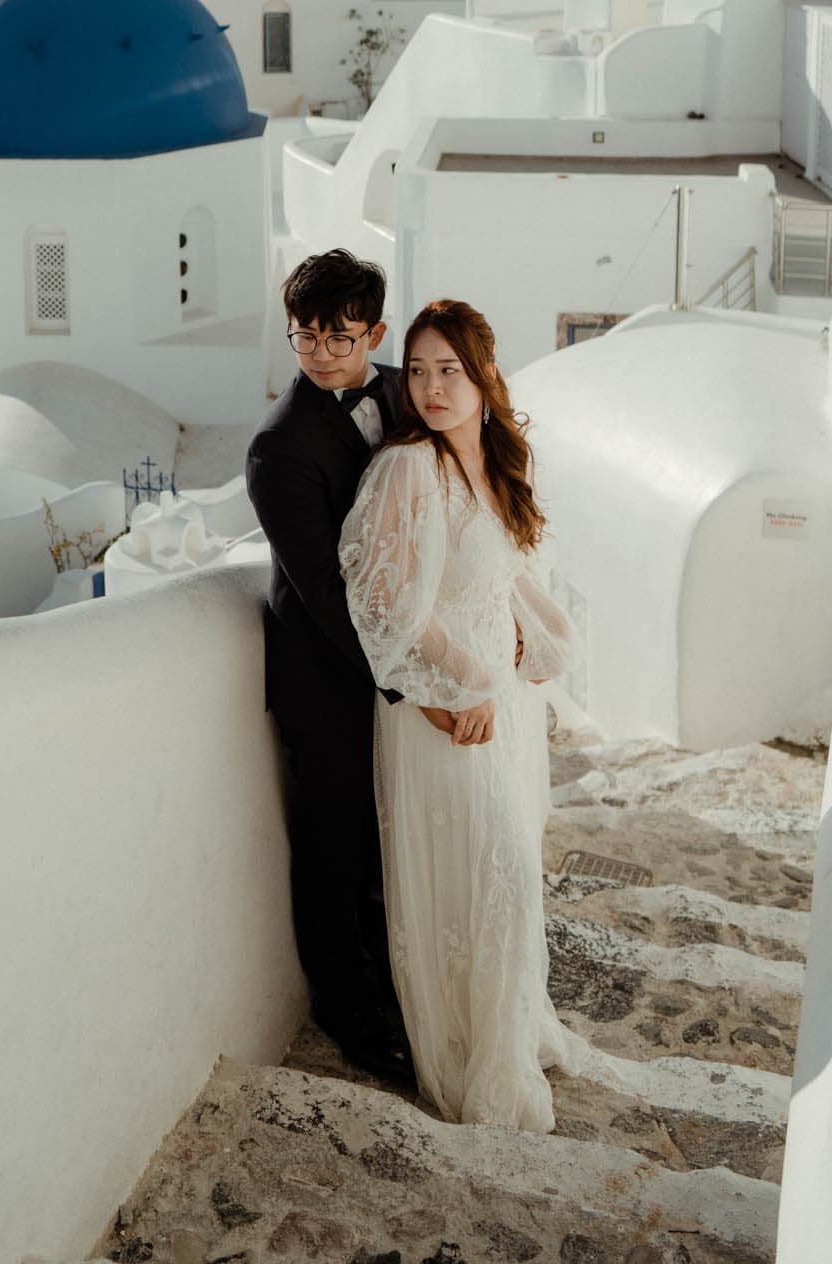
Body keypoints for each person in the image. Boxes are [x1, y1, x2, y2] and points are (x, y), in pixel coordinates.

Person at [338, 297, 579, 1129]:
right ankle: (475, 1062)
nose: (433, 389)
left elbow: (503, 573)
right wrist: (459, 683)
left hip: (498, 706)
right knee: (493, 874)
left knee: (509, 881)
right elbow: (386, 602)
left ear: (483, 376)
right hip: (443, 706)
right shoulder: (411, 468)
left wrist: (525, 641)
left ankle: (505, 1032)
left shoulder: (499, 462)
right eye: (417, 371)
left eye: (449, 370)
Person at [245, 249, 412, 1081]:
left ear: (375, 333)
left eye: (338, 340)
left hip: (386, 655)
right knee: (334, 842)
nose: (317, 355)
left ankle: (397, 986)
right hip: (323, 672)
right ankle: (348, 1013)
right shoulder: (278, 448)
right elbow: (318, 587)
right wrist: (400, 671)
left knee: (389, 837)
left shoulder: (398, 392)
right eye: (304, 338)